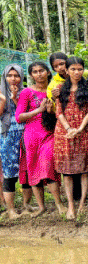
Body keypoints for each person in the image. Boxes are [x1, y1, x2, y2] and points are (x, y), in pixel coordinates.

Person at [15, 62, 64, 216]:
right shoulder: (26, 92)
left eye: (41, 71)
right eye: (35, 72)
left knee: (48, 163)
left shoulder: (54, 89)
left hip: (50, 133)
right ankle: (41, 207)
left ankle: (59, 204)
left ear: (48, 72)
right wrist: (39, 109)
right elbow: (19, 117)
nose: (39, 74)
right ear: (31, 75)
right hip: (31, 135)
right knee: (33, 167)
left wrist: (50, 108)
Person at [54, 57, 88, 219]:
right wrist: (70, 129)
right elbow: (58, 112)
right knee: (67, 171)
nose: (77, 72)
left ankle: (83, 203)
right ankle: (71, 204)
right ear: (67, 70)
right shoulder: (60, 88)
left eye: (80, 69)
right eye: (73, 69)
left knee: (85, 169)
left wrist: (79, 129)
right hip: (64, 133)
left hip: (84, 131)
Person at [0, 65, 33, 218]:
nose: (13, 78)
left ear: (21, 77)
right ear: (4, 77)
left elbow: (27, 112)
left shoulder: (26, 93)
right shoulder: (0, 94)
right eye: (10, 75)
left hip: (26, 133)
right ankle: (11, 210)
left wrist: (15, 98)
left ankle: (27, 205)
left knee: (27, 170)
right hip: (7, 136)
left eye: (16, 75)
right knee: (9, 172)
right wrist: (5, 99)